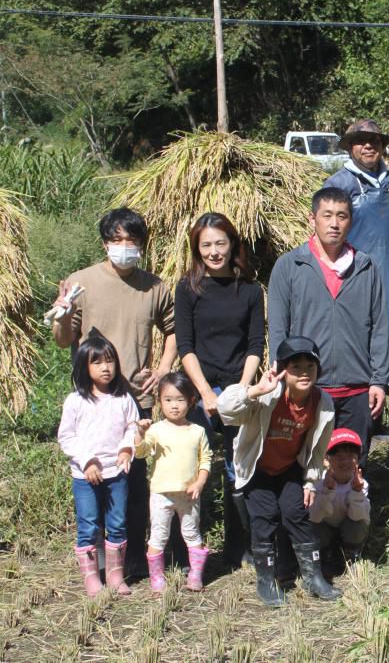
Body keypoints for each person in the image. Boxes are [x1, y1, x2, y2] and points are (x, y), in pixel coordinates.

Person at [51, 208, 178, 577]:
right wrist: (61, 314)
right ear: (105, 243)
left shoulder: (154, 287)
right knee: (94, 476)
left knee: (133, 480)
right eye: (117, 240)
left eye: (132, 241)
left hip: (137, 395)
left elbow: (173, 331)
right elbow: (63, 341)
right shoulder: (82, 282)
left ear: (142, 245)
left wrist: (164, 369)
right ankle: (99, 556)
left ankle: (132, 554)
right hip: (93, 398)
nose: (125, 247)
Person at [268, 187, 389, 465]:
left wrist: (379, 380)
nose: (334, 223)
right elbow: (277, 328)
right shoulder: (290, 266)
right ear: (313, 219)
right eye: (327, 215)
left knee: (352, 466)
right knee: (306, 465)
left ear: (351, 221)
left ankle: (354, 510)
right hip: (307, 387)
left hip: (357, 390)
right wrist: (282, 377)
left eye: (342, 216)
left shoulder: (366, 267)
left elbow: (380, 329)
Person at [217, 337, 338, 606]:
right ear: (283, 369)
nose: (304, 372)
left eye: (310, 365)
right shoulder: (268, 395)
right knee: (265, 517)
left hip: (290, 468)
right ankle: (266, 581)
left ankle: (314, 577)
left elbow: (318, 450)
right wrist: (254, 390)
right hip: (258, 469)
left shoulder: (323, 402)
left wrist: (310, 481)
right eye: (296, 366)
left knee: (297, 514)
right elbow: (224, 409)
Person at [175, 212, 264, 568]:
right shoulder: (188, 288)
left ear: (232, 244)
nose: (214, 251)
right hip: (199, 389)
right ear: (197, 249)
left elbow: (255, 344)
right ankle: (185, 548)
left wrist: (241, 390)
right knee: (191, 464)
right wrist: (206, 394)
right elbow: (186, 346)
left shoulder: (251, 290)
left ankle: (238, 546)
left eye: (220, 243)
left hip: (237, 386)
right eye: (206, 245)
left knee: (236, 468)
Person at [323, 119, 389, 386]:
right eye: (361, 141)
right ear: (350, 147)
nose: (368, 146)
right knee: (358, 335)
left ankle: (381, 399)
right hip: (354, 275)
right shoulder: (339, 183)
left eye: (375, 141)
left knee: (388, 336)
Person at [58, 337, 138, 597]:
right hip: (85, 474)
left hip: (117, 472)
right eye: (97, 362)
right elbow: (66, 437)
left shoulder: (123, 398)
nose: (106, 367)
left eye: (110, 360)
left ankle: (115, 574)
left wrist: (127, 449)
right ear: (84, 366)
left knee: (117, 522)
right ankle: (92, 577)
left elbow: (133, 428)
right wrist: (87, 461)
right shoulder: (75, 402)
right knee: (89, 523)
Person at [134, 373, 212, 593]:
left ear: (191, 401)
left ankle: (196, 575)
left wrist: (199, 483)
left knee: (192, 533)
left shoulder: (198, 431)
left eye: (180, 399)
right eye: (168, 400)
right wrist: (140, 433)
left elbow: (205, 461)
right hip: (161, 493)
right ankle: (156, 578)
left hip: (189, 494)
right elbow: (141, 453)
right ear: (160, 401)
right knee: (158, 535)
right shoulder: (156, 430)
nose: (174, 406)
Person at [309, 428, 371, 575]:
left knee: (358, 524)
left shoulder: (361, 484)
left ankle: (351, 554)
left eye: (351, 455)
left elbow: (361, 517)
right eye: (339, 456)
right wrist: (328, 490)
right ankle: (326, 553)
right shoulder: (318, 482)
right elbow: (315, 517)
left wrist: (356, 491)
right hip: (325, 527)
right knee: (314, 525)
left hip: (347, 526)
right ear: (326, 459)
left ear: (358, 459)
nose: (345, 461)